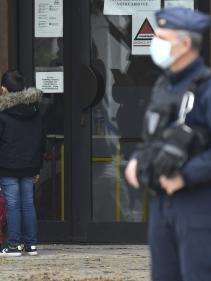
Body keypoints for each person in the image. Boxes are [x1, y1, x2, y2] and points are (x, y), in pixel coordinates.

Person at [124, 7, 211, 281]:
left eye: (162, 37)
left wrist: (184, 176)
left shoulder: (206, 88)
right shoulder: (164, 85)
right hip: (163, 202)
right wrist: (138, 161)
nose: (155, 44)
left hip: (197, 202)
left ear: (185, 44)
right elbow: (154, 136)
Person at [0, 70, 45, 257]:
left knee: (13, 204)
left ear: (3, 89)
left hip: (8, 165)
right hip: (29, 165)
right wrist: (37, 166)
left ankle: (14, 245)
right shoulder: (34, 110)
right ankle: (31, 245)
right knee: (27, 203)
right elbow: (41, 139)